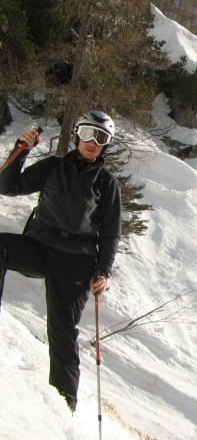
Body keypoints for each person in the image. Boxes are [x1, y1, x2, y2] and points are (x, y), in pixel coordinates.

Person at [0, 111, 122, 412]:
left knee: (61, 329)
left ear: (106, 144)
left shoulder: (106, 183)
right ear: (78, 135)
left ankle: (64, 403)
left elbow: (110, 233)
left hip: (75, 263)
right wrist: (21, 150)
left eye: (101, 138)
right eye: (89, 134)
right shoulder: (54, 166)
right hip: (39, 247)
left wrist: (103, 271)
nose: (93, 142)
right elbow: (8, 186)